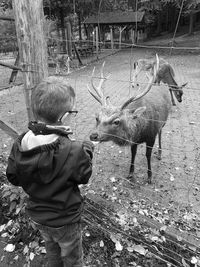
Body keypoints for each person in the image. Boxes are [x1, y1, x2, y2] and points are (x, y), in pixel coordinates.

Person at [6, 76, 94, 267]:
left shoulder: (20, 143)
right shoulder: (74, 150)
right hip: (66, 220)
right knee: (72, 258)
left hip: (38, 217)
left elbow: (13, 177)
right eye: (73, 111)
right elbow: (84, 175)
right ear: (64, 117)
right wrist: (87, 149)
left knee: (52, 248)